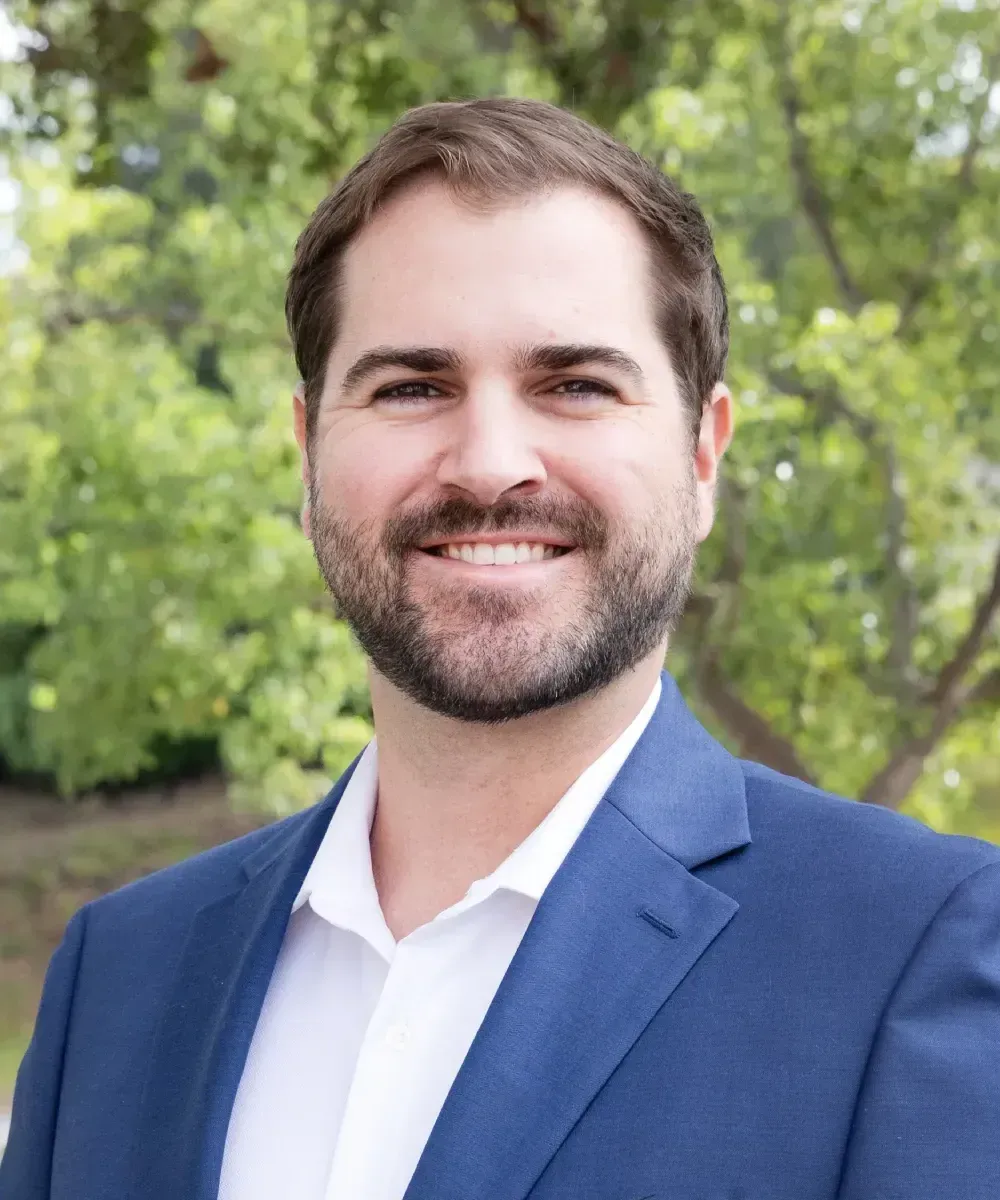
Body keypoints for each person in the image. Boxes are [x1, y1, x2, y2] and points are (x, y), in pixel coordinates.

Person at [2, 97, 998, 1200]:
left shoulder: (916, 950)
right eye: (412, 387)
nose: (488, 463)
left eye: (574, 384)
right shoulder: (117, 977)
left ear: (704, 455)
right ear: (307, 450)